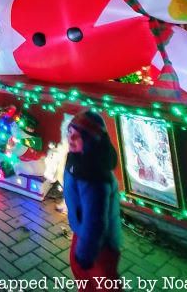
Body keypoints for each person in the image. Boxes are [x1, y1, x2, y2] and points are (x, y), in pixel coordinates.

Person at [63, 110, 122, 289]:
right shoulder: (77, 159)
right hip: (83, 232)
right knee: (83, 276)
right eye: (69, 133)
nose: (71, 139)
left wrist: (86, 253)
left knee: (101, 282)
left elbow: (95, 220)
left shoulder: (94, 177)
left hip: (99, 244)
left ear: (91, 141)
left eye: (77, 136)